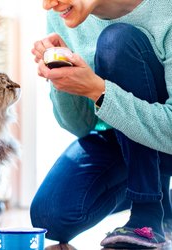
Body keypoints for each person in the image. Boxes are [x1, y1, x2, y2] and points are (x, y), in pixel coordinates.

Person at [29, 0, 172, 248]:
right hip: (117, 137)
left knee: (116, 41)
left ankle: (147, 212)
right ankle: (163, 201)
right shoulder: (64, 15)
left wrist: (99, 91)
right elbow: (80, 126)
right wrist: (61, 76)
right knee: (49, 216)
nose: (48, 4)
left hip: (165, 139)